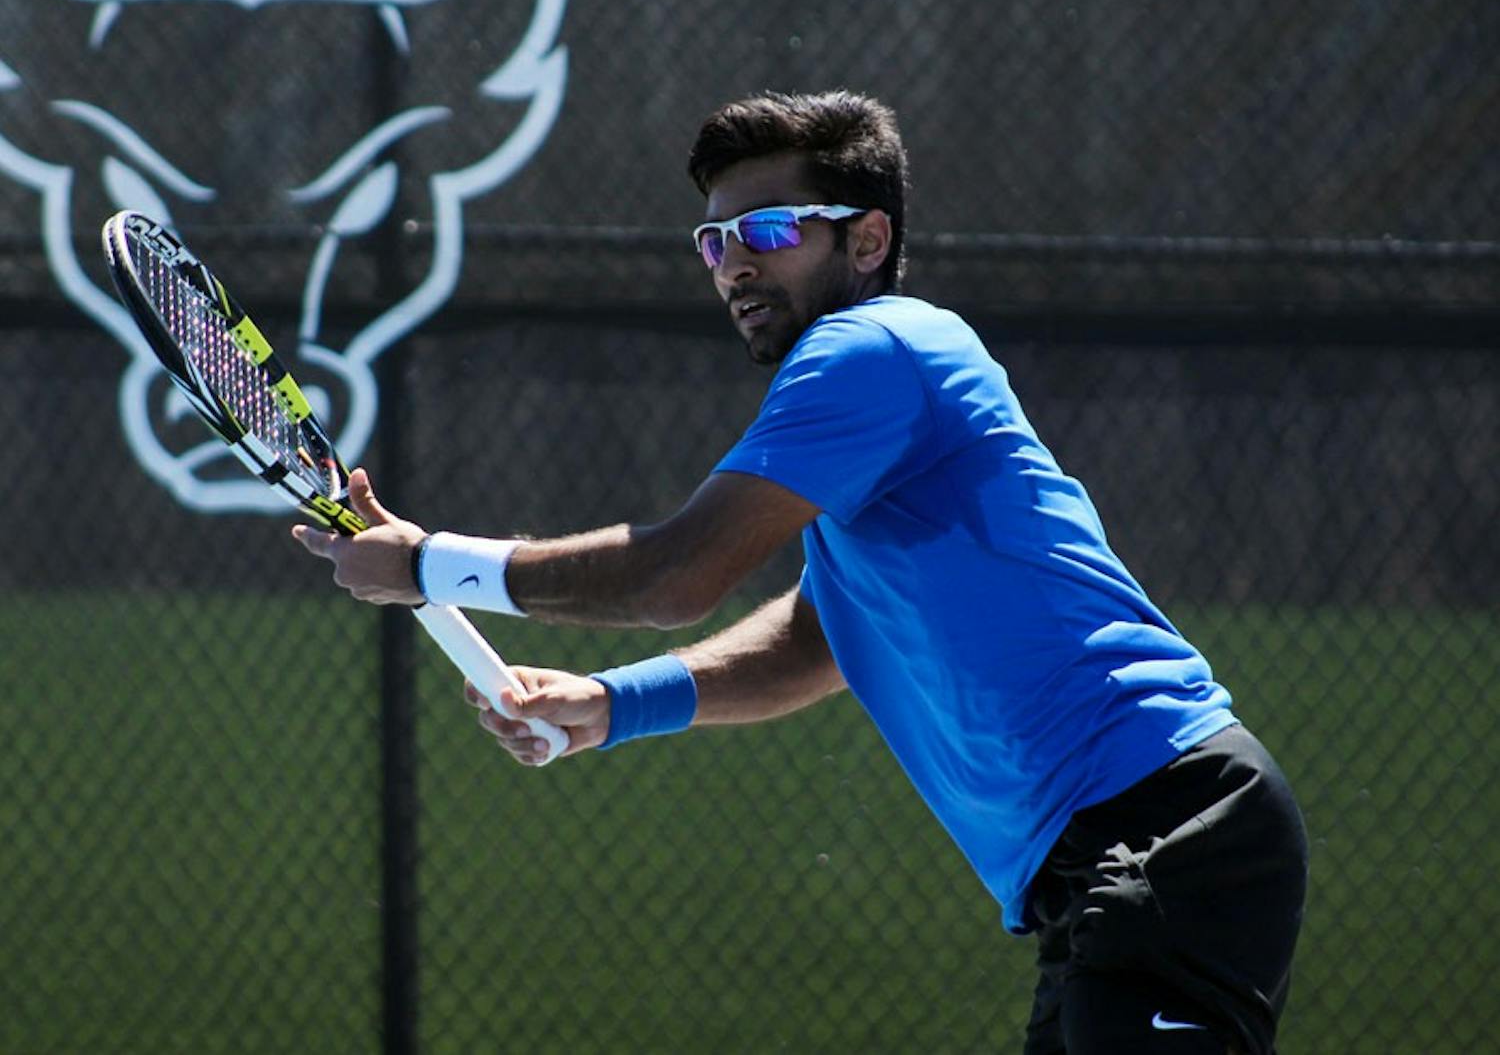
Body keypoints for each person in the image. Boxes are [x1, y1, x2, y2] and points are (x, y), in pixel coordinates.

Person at [294, 90, 1308, 1055]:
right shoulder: (868, 409)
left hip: (1169, 826)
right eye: (713, 240)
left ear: (866, 240)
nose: (734, 264)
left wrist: (429, 564)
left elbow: (675, 577)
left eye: (770, 231)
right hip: (1104, 865)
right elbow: (819, 637)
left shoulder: (875, 346)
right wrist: (611, 706)